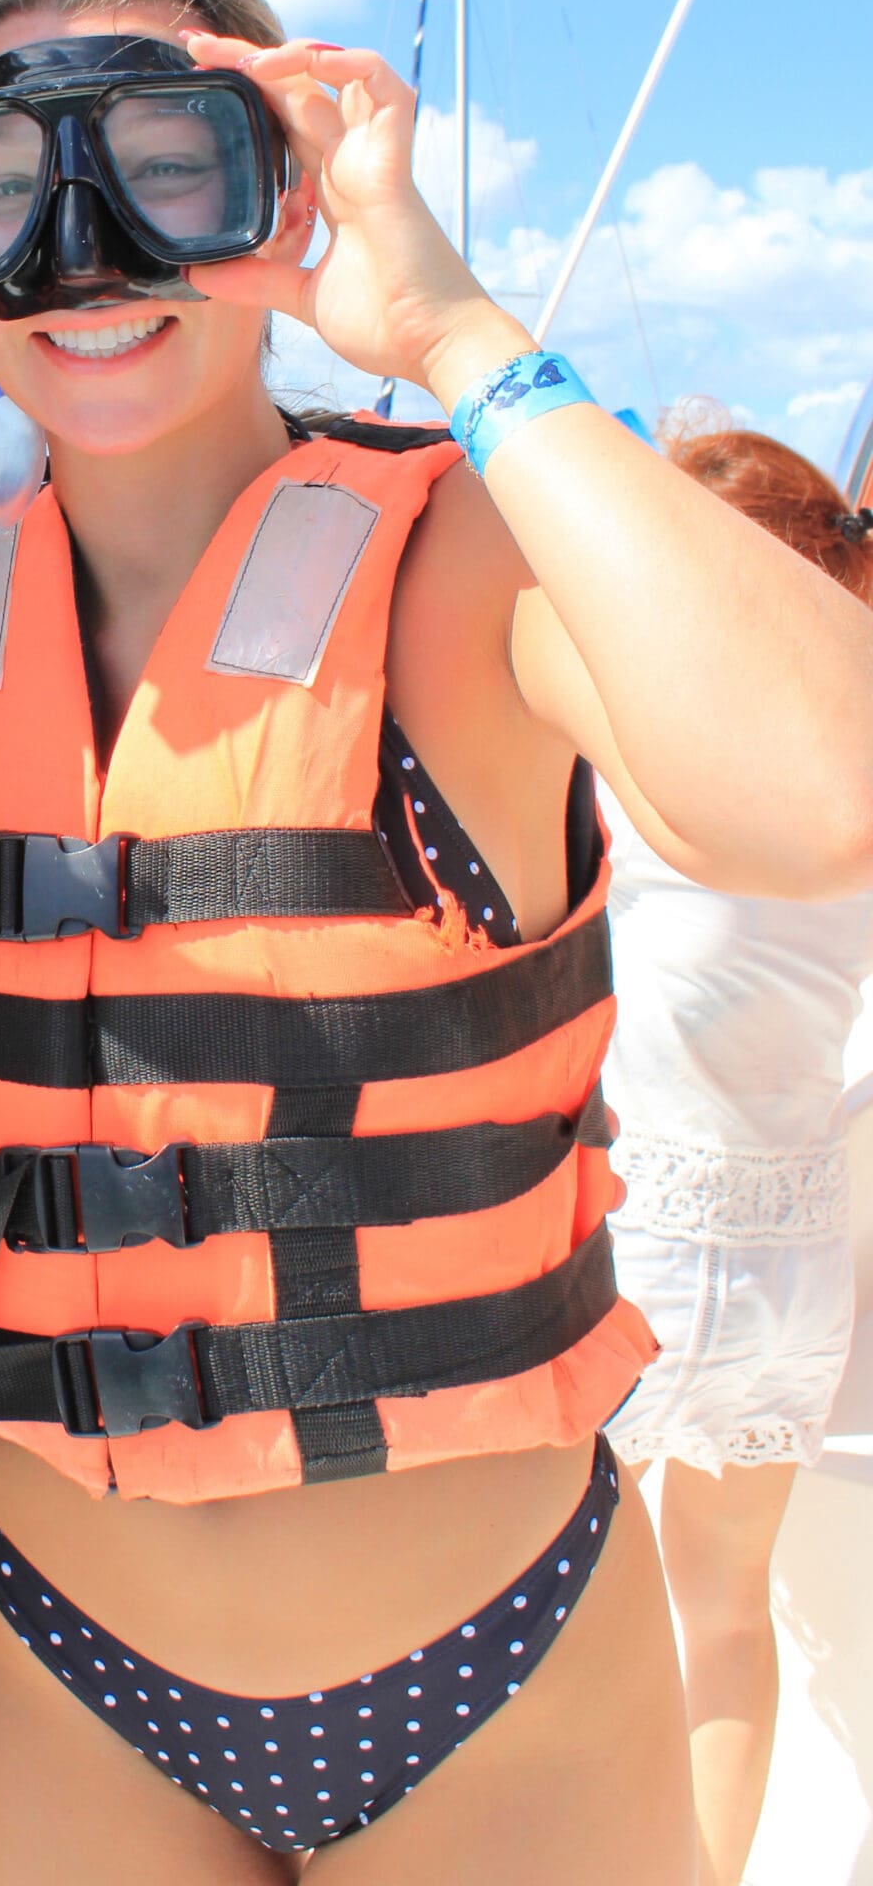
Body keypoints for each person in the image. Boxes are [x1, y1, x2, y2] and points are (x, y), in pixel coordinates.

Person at [0, 0, 873, 1882]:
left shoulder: (453, 557)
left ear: (284, 184)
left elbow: (826, 793)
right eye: (1, 178)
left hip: (482, 1680)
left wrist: (446, 329)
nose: (84, 243)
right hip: (59, 1670)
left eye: (167, 165)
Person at [599, 414, 873, 1886]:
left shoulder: (651, 782)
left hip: (631, 1258)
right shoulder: (853, 784)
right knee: (721, 1612)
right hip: (787, 1276)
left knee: (542, 1627)